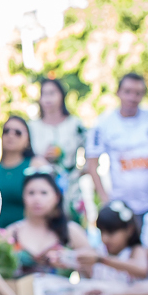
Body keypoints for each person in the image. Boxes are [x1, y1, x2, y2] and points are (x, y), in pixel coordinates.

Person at [84, 72, 148, 215]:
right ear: (118, 92)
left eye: (138, 93)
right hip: (121, 204)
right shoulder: (102, 124)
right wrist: (105, 200)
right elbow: (92, 164)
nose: (132, 97)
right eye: (127, 92)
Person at [6, 171, 91, 273]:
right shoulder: (12, 231)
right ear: (23, 197)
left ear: (56, 197)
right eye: (31, 193)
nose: (37, 199)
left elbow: (91, 270)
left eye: (44, 193)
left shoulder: (71, 231)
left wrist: (70, 259)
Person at [28, 77, 88, 217]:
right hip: (41, 193)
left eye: (52, 93)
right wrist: (41, 159)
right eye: (44, 94)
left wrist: (80, 171)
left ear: (62, 96)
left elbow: (91, 152)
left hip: (72, 191)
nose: (48, 98)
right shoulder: (32, 127)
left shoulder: (75, 124)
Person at [0, 115, 40, 228]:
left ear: (28, 139)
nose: (11, 135)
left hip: (29, 232)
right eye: (6, 131)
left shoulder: (37, 165)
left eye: (17, 132)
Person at [80, 200, 148, 284]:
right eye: (101, 232)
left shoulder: (135, 251)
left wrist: (102, 260)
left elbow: (142, 270)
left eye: (111, 233)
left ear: (129, 229)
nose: (105, 239)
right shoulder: (100, 250)